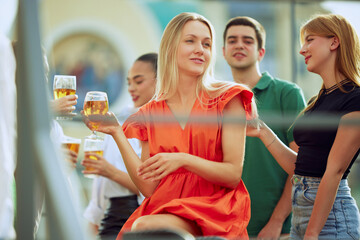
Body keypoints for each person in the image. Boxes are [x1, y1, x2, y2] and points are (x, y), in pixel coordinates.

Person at [82, 12, 258, 239]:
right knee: (141, 228)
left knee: (144, 227)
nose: (200, 49)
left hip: (215, 209)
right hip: (165, 207)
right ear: (170, 48)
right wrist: (117, 132)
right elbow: (148, 188)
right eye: (190, 41)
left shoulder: (228, 98)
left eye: (207, 44)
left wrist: (182, 159)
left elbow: (233, 174)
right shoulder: (150, 113)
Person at [248, 14, 360, 239]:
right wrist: (262, 131)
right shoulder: (315, 103)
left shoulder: (354, 99)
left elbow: (334, 171)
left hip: (331, 219)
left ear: (334, 42)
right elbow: (302, 168)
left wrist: (312, 233)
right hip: (302, 214)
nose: (302, 49)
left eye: (309, 40)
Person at [222, 16, 306, 238]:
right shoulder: (216, 100)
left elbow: (302, 165)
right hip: (228, 228)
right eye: (232, 40)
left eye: (248, 40)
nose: (239, 44)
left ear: (261, 52)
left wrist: (276, 222)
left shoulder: (287, 93)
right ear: (223, 51)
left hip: (280, 230)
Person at [82, 53, 157, 239]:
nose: (131, 88)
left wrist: (110, 171)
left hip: (138, 214)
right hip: (110, 214)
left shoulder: (160, 123)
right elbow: (100, 184)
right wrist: (94, 220)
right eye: (128, 82)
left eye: (138, 82)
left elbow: (150, 188)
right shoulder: (121, 118)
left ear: (160, 80)